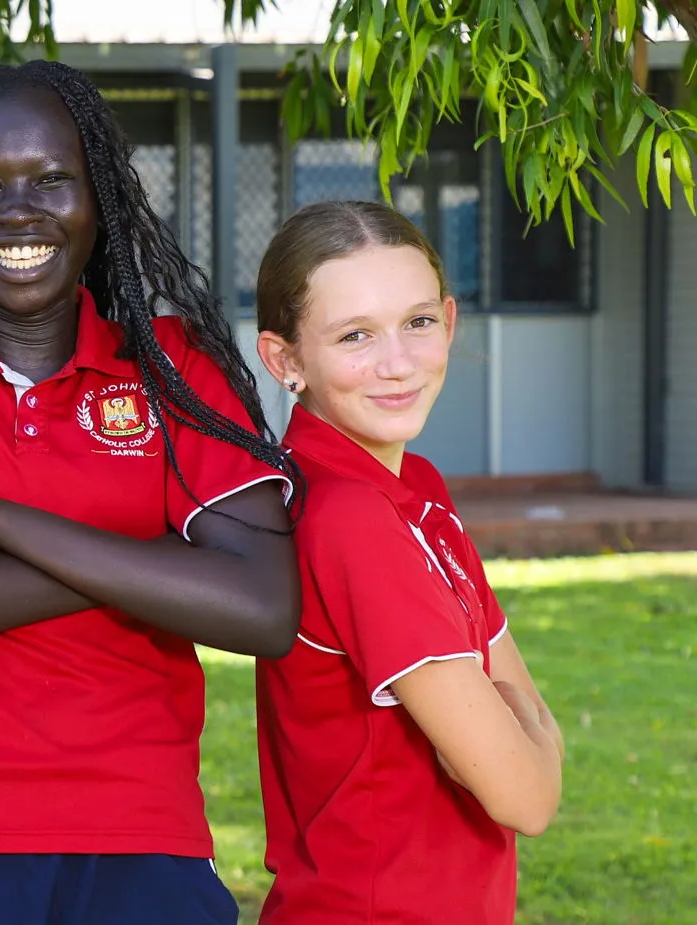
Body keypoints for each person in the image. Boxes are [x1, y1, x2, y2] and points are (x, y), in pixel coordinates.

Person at [0, 61, 302, 923]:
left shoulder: (171, 364)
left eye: (51, 179)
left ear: (98, 200)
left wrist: (2, 523)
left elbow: (261, 607)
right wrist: (157, 564)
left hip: (141, 826)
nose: (19, 210)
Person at [251, 201, 564, 924]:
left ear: (449, 320)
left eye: (418, 321)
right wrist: (515, 724)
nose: (397, 364)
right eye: (355, 335)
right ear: (285, 360)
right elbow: (525, 795)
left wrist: (515, 722)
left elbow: (528, 722)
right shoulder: (349, 517)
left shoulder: (415, 488)